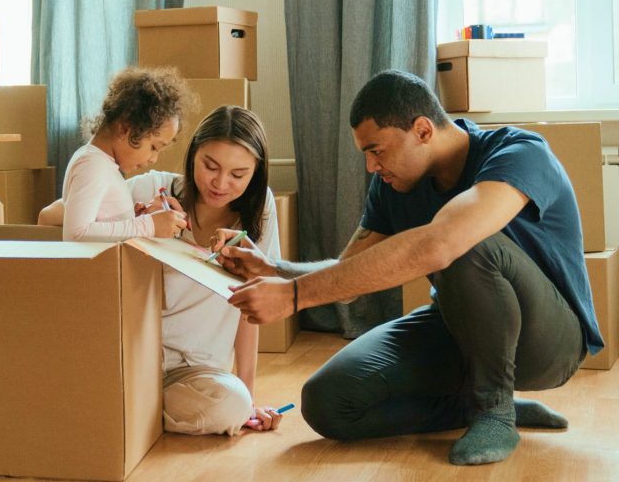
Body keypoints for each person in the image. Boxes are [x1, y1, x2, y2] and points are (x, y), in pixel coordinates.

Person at [217, 69, 601, 465]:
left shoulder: (520, 152)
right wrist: (275, 271)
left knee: (464, 242)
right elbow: (350, 274)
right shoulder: (392, 185)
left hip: (549, 342)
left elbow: (444, 243)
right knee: (328, 402)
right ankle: (472, 406)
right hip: (458, 329)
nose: (370, 166)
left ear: (422, 130)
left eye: (377, 150)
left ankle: (494, 411)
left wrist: (294, 297)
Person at [42, 105, 287, 434]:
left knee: (233, 406)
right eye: (210, 166)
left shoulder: (260, 213)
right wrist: (139, 221)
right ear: (193, 154)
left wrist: (249, 396)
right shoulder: (153, 188)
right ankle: (129, 407)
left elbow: (251, 308)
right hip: (134, 356)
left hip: (197, 371)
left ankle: (127, 410)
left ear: (255, 173)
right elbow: (50, 216)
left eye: (238, 175)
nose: (220, 183)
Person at [60, 66, 191, 242]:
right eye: (154, 147)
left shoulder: (103, 165)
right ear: (125, 128)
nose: (154, 159)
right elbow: (76, 234)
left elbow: (101, 227)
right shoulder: (92, 165)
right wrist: (148, 225)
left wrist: (132, 220)